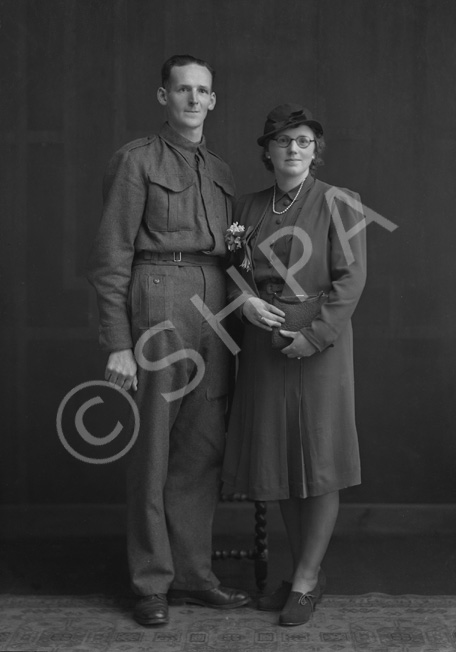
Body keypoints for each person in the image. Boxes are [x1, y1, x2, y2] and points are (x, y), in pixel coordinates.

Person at [87, 54, 250, 626]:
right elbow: (111, 256)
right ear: (163, 97)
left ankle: (193, 576)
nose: (192, 99)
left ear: (213, 100)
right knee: (152, 451)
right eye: (182, 89)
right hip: (156, 298)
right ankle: (151, 582)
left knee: (200, 453)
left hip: (216, 310)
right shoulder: (136, 161)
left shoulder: (223, 171)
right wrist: (117, 342)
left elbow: (234, 253)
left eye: (202, 91)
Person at [221, 103, 367, 627]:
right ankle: (302, 568)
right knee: (280, 461)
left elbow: (350, 281)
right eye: (284, 141)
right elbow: (231, 269)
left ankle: (306, 577)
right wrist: (243, 300)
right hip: (264, 349)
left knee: (320, 461)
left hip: (319, 349)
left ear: (315, 150)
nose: (294, 149)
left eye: (304, 141)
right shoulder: (248, 206)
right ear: (267, 150)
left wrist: (314, 337)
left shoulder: (339, 203)